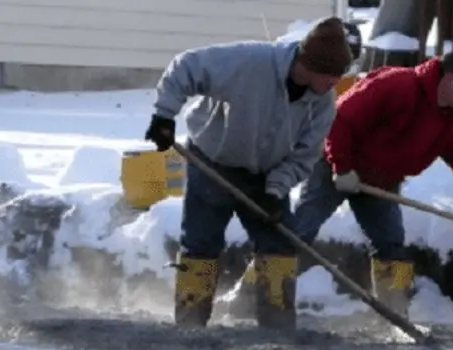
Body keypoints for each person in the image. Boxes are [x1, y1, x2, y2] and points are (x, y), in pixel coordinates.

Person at [222, 49, 453, 321]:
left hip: (381, 182)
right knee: (301, 231)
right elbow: (340, 118)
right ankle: (248, 298)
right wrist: (341, 167)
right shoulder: (397, 85)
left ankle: (394, 316)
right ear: (449, 80)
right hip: (335, 166)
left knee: (391, 245)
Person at [144, 17, 354, 330]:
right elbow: (185, 66)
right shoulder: (250, 63)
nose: (336, 83)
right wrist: (164, 115)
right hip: (213, 161)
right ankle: (190, 326)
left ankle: (278, 328)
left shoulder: (322, 103)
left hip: (266, 175)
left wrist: (276, 188)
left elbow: (305, 156)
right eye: (332, 75)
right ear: (310, 64)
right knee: (201, 245)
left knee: (281, 245)